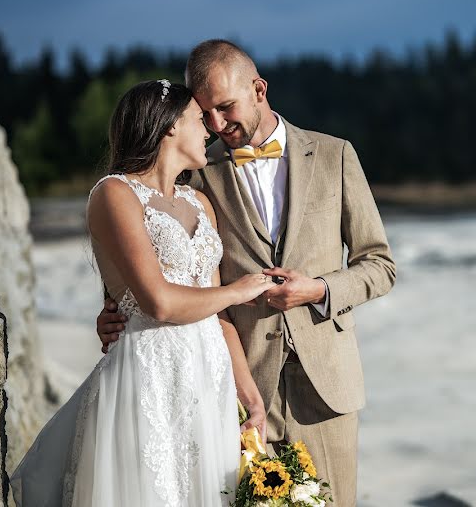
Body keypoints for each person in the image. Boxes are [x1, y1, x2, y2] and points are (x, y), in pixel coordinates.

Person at [97, 40, 396, 506]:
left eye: (226, 107)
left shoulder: (336, 156)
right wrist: (112, 308)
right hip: (238, 390)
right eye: (205, 114)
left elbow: (379, 265)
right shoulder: (196, 176)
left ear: (259, 89)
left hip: (328, 389)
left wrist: (318, 289)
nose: (216, 125)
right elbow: (148, 250)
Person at [12, 80, 276, 506]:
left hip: (209, 378)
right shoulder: (115, 193)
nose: (208, 129)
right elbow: (159, 302)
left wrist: (247, 394)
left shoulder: (201, 203)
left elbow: (217, 317)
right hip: (147, 374)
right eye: (197, 118)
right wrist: (237, 290)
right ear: (169, 126)